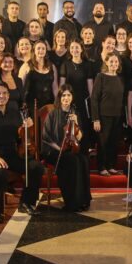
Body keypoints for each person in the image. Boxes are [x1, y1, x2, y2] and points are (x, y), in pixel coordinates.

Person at [0, 80, 44, 223]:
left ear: (8, 96)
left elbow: (19, 138)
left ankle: (26, 202)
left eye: (4, 93)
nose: (1, 96)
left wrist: (27, 129)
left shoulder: (15, 113)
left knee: (36, 167)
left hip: (11, 154)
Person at [42, 84, 92, 212]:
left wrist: (75, 123)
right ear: (59, 97)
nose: (66, 98)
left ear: (72, 97)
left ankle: (83, 200)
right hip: (54, 150)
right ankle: (71, 202)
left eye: (69, 95)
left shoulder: (75, 113)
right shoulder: (53, 114)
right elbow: (46, 138)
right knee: (72, 161)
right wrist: (59, 149)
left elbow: (79, 138)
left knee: (83, 160)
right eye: (63, 95)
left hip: (70, 149)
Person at [91, 53, 124, 176]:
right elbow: (94, 98)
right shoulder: (101, 77)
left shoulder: (120, 78)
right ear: (106, 62)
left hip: (117, 116)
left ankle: (111, 166)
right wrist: (95, 119)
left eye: (116, 62)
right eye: (111, 62)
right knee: (103, 143)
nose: (114, 64)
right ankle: (102, 167)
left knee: (114, 142)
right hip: (103, 116)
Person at [60, 39, 93, 154]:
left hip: (83, 101)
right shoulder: (65, 64)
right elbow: (62, 86)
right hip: (68, 101)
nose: (75, 50)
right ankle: (70, 150)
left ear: (81, 49)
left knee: (83, 125)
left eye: (77, 47)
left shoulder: (87, 64)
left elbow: (90, 86)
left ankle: (84, 151)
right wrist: (62, 101)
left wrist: (92, 102)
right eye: (72, 47)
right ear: (69, 49)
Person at [22, 40, 59, 116]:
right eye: (38, 48)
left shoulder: (52, 66)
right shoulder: (26, 65)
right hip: (31, 105)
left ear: (46, 51)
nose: (41, 51)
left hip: (49, 104)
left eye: (43, 48)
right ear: (34, 51)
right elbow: (21, 85)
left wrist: (57, 102)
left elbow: (55, 87)